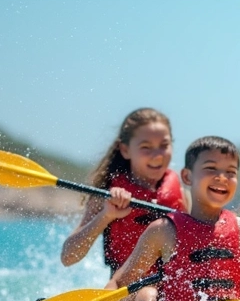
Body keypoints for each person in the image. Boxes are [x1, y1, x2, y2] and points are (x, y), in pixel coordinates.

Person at [106, 136, 240, 301]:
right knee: (146, 295)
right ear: (187, 176)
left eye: (231, 172)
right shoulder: (164, 230)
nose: (222, 178)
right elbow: (120, 281)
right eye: (211, 168)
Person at [60, 107, 187, 280]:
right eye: (146, 147)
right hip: (124, 288)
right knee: (147, 294)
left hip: (168, 286)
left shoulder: (182, 193)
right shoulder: (106, 195)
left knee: (151, 293)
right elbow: (68, 257)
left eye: (164, 146)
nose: (157, 156)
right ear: (125, 150)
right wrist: (106, 215)